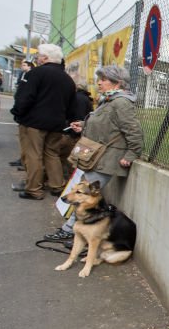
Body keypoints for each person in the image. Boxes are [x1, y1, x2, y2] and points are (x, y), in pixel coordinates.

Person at [45, 65, 143, 241]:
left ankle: (69, 231)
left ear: (117, 83)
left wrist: (131, 154)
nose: (99, 83)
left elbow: (133, 131)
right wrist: (83, 125)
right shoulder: (109, 100)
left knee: (83, 197)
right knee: (85, 197)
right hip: (97, 157)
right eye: (100, 79)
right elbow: (108, 126)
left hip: (106, 160)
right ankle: (79, 233)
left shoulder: (121, 103)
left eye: (103, 80)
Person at [10, 44, 75, 200]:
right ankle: (57, 186)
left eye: (38, 55)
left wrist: (17, 113)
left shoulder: (35, 74)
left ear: (45, 58)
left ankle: (34, 189)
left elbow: (25, 97)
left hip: (34, 122)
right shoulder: (68, 79)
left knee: (33, 155)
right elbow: (71, 105)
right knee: (52, 154)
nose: (37, 58)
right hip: (57, 124)